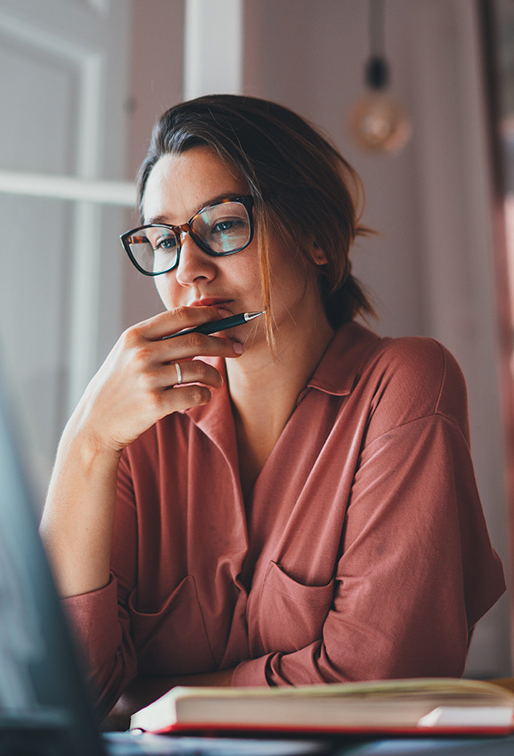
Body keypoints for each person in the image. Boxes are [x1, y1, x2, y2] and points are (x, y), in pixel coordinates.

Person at [40, 94, 505, 727]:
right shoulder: (135, 428)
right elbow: (62, 694)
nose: (190, 272)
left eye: (224, 224)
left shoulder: (404, 386)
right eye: (164, 240)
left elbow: (378, 680)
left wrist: (152, 696)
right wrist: (86, 442)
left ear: (316, 236)